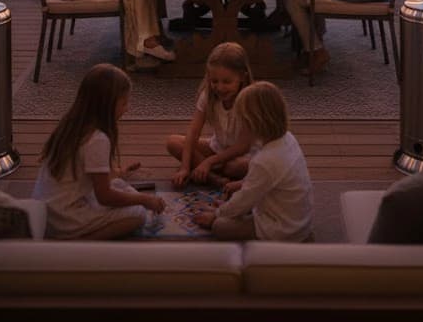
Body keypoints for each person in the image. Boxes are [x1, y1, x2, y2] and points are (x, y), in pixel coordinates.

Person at [32, 63, 166, 239]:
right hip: (63, 218)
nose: (127, 108)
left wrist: (120, 173)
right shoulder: (97, 139)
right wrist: (145, 200)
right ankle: (78, 242)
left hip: (47, 209)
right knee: (138, 214)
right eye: (124, 103)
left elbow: (86, 175)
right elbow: (105, 196)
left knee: (119, 183)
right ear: (107, 105)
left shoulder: (72, 124)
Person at [192, 81, 313, 242]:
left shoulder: (265, 161)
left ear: (253, 122)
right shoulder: (288, 138)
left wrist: (216, 214)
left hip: (284, 230)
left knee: (221, 226)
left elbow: (244, 201)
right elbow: (269, 180)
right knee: (237, 196)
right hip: (300, 222)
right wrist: (242, 184)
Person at [166, 42, 255, 188]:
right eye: (214, 81)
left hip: (243, 154)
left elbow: (242, 146)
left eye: (227, 82)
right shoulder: (208, 95)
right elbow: (193, 133)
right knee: (173, 142)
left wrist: (209, 161)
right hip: (218, 148)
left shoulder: (250, 100)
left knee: (239, 166)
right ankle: (212, 176)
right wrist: (184, 167)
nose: (219, 87)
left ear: (242, 77)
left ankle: (205, 170)